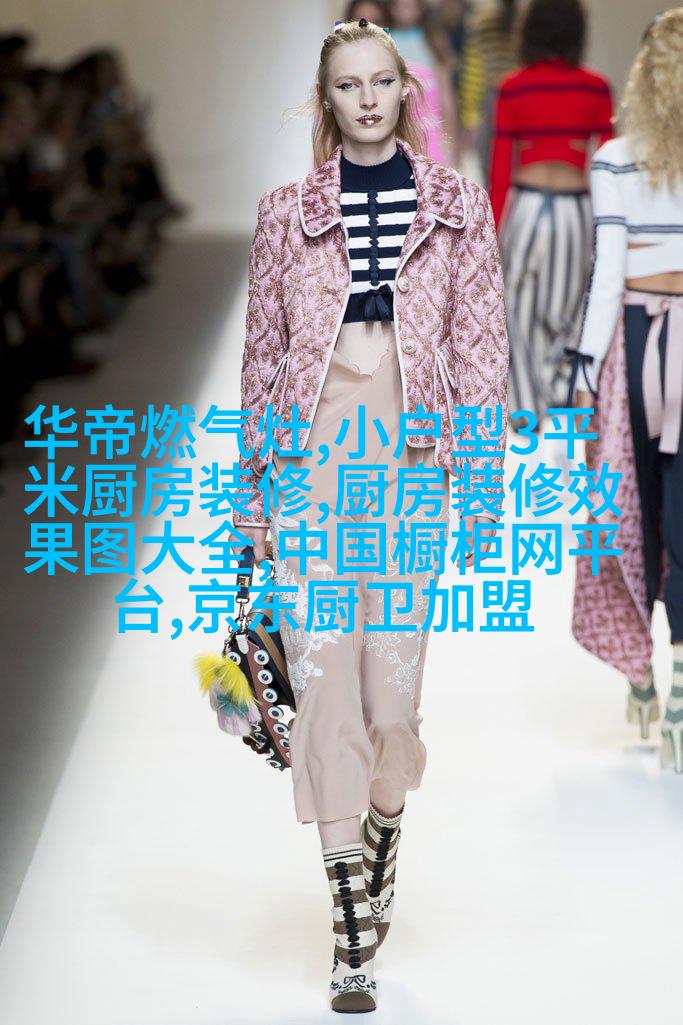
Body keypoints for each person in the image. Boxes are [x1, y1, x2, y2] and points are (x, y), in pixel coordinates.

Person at [233, 18, 509, 1012]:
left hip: (412, 457)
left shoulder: (455, 206)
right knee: (325, 688)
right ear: (325, 98)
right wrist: (251, 501)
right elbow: (261, 358)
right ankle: (349, 916)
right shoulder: (284, 214)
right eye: (346, 85)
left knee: (391, 697)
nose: (363, 99)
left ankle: (383, 826)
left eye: (379, 82)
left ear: (404, 91)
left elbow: (480, 347)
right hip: (310, 457)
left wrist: (483, 484)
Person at [567, 8, 683, 773]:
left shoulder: (613, 159)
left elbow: (606, 273)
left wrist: (580, 371)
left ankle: (641, 671)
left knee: (628, 507)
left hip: (634, 343)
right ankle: (678, 691)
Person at [491, 0, 613, 423]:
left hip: (526, 205)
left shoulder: (513, 87)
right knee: (571, 310)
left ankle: (525, 412)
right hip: (576, 209)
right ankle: (562, 403)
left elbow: (501, 169)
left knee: (517, 310)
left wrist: (491, 231)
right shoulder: (596, 88)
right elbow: (607, 161)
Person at [388, 0, 459, 164]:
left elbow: (446, 96)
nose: (405, 11)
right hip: (395, 135)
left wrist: (453, 144)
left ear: (420, 8)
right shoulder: (385, 43)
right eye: (400, 5)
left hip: (430, 135)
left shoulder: (434, 43)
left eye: (410, 5)